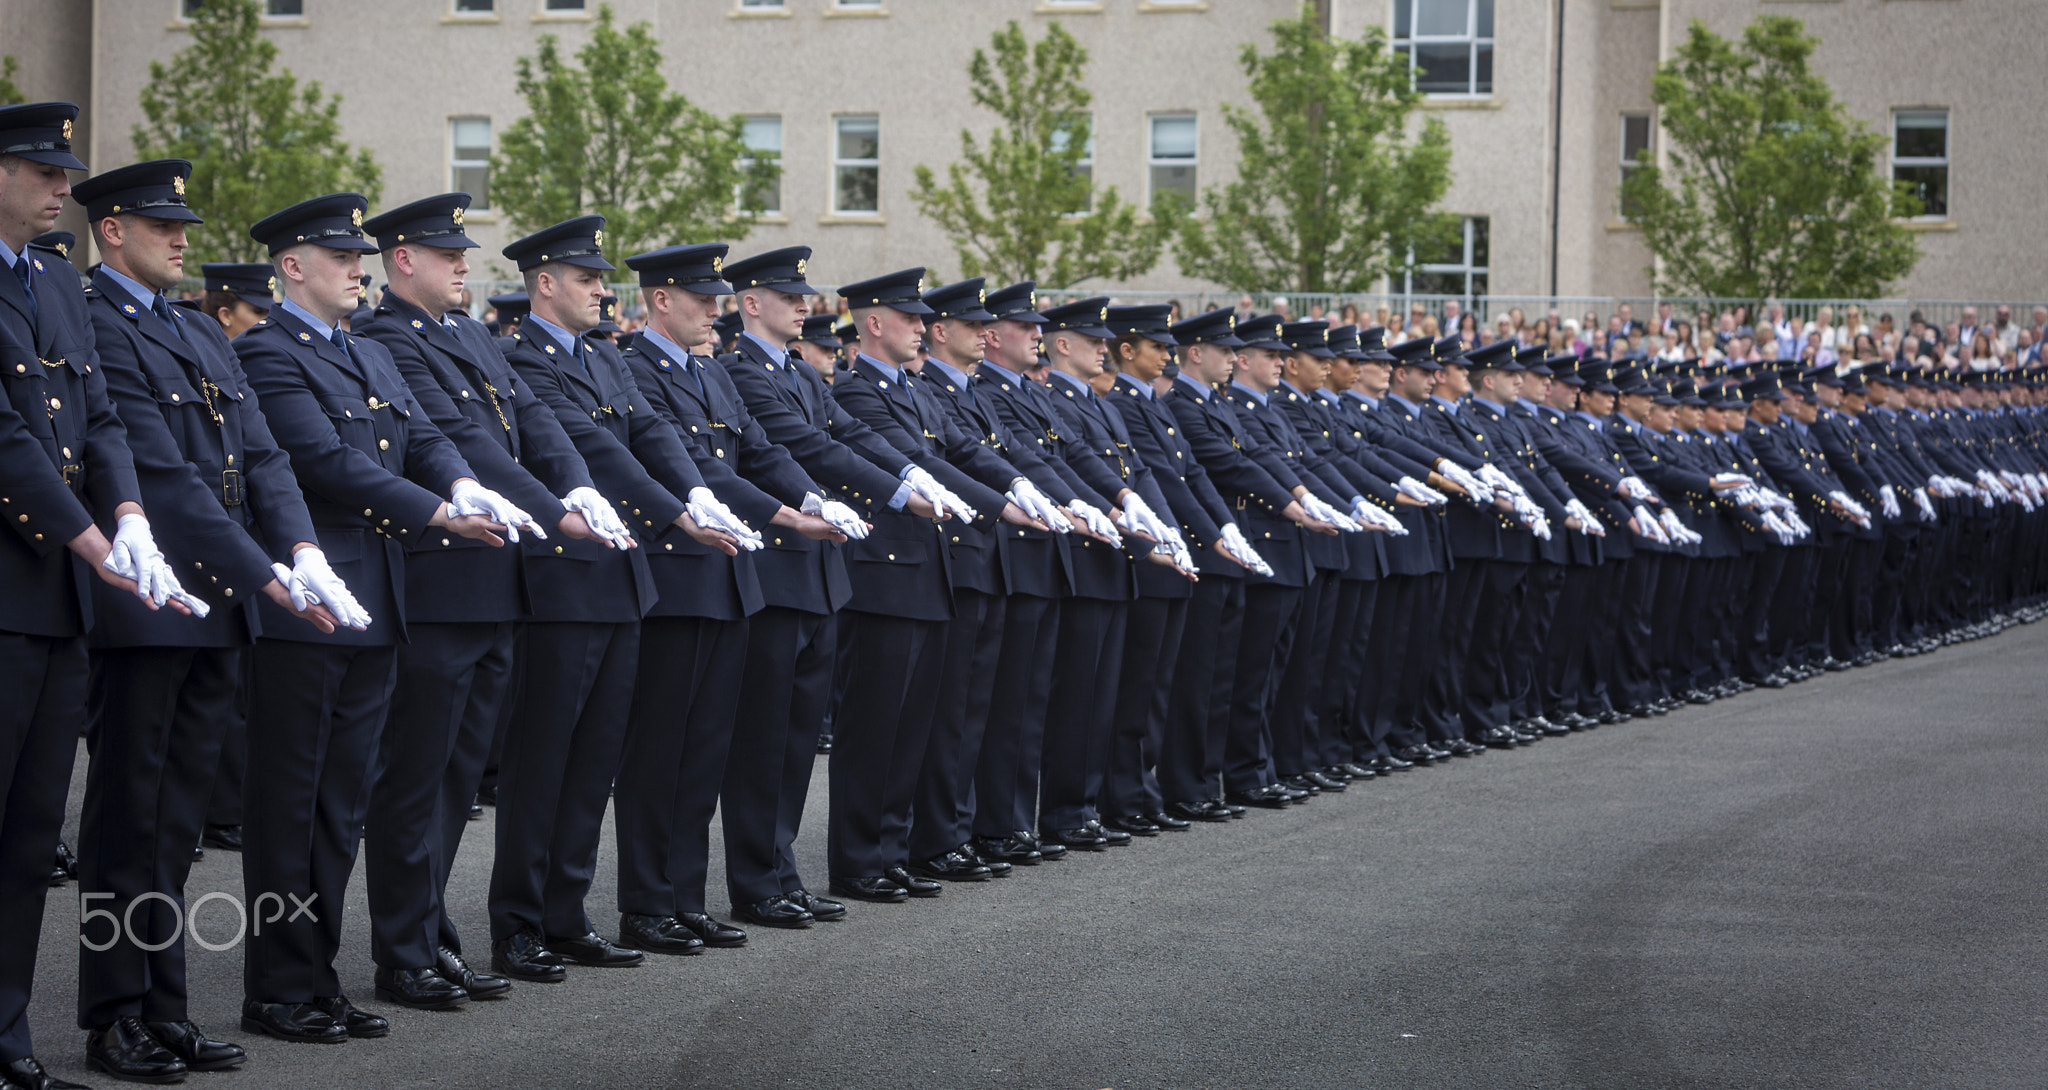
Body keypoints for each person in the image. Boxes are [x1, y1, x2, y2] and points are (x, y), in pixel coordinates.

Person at [68, 157, 341, 1083]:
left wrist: (302, 550)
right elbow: (159, 471)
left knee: (178, 824)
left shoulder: (194, 329)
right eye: (161, 226)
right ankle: (114, 1014)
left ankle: (165, 1007)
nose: (183, 239)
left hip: (217, 601)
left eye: (182, 225)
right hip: (149, 600)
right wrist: (263, 571)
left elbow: (260, 453)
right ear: (111, 231)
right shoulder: (92, 320)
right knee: (127, 818)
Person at [233, 192, 526, 1045]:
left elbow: (429, 435)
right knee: (290, 802)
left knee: (338, 803)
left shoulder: (365, 353)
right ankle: (278, 984)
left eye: (361, 259)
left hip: (379, 598)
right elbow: (322, 462)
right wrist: (438, 516)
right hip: (312, 603)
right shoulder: (268, 354)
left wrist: (459, 481)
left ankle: (317, 977)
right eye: (340, 258)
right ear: (292, 267)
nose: (357, 271)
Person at [354, 193, 628, 1011]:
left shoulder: (472, 334)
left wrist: (576, 480)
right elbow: (460, 442)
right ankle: (405, 950)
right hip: (441, 584)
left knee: (456, 777)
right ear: (403, 260)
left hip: (497, 583)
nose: (465, 265)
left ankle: (433, 939)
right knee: (417, 778)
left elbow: (534, 420)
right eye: (448, 255)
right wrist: (558, 514)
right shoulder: (383, 340)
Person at [0, 106, 210, 1090]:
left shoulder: (47, 280)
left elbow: (101, 413)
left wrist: (124, 512)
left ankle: (8, 1038)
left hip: (63, 597)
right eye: (41, 169)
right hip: (16, 582)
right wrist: (92, 538)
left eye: (63, 170)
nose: (60, 187)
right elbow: (6, 438)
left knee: (32, 830)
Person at [487, 216, 746, 982]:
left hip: (621, 581)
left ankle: (567, 915)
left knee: (593, 761)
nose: (604, 290)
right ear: (545, 284)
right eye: (588, 278)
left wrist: (696, 490)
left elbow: (653, 435)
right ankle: (519, 924)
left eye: (603, 279)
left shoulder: (608, 360)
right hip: (565, 581)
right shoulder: (519, 359)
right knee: (542, 763)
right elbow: (593, 449)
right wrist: (680, 513)